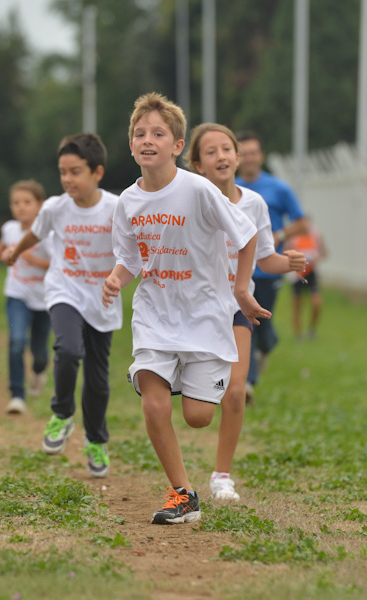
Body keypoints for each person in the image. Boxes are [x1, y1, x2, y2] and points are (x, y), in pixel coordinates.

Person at [102, 92, 271, 524]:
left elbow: (246, 234)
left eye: (158, 133)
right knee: (155, 405)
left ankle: (173, 375)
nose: (148, 139)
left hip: (204, 315)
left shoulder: (197, 189)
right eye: (140, 133)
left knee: (197, 417)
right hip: (155, 314)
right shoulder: (128, 201)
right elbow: (130, 258)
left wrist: (240, 289)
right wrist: (116, 278)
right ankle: (183, 494)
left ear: (177, 146)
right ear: (131, 145)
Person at [184, 122, 305, 501]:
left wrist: (290, 263)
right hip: (191, 308)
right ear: (198, 165)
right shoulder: (188, 201)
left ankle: (222, 476)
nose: (221, 156)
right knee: (197, 413)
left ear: (238, 156)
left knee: (236, 392)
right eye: (211, 152)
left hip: (238, 306)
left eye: (227, 149)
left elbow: (265, 258)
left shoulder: (254, 203)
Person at [6, 133, 122, 479]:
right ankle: (61, 414)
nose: (67, 179)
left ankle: (96, 441)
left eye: (75, 172)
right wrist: (15, 251)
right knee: (68, 350)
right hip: (64, 290)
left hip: (102, 298)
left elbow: (135, 247)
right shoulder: (56, 207)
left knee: (98, 380)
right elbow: (36, 234)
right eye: (63, 172)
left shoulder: (116, 208)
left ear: (97, 172)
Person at [235, 131, 308, 401]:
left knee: (263, 326)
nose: (250, 158)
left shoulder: (278, 188)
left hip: (268, 269)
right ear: (238, 157)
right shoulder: (230, 187)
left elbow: (301, 221)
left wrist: (279, 237)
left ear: (261, 156)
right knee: (246, 323)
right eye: (245, 153)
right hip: (240, 271)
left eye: (254, 152)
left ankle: (269, 344)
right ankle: (247, 384)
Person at [0, 180, 52, 415]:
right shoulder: (10, 228)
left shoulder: (47, 234)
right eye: (16, 203)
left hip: (44, 300)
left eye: (27, 202)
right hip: (17, 293)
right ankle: (17, 395)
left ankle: (39, 372)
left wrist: (29, 258)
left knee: (40, 354)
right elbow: (3, 244)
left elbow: (57, 265)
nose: (20, 207)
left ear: (40, 205)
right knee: (17, 341)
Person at [285, 218, 327, 341]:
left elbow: (324, 252)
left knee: (316, 303)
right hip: (297, 273)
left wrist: (315, 259)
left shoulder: (316, 234)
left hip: (311, 271)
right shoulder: (293, 236)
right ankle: (298, 335)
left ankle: (311, 330)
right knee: (297, 304)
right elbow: (285, 252)